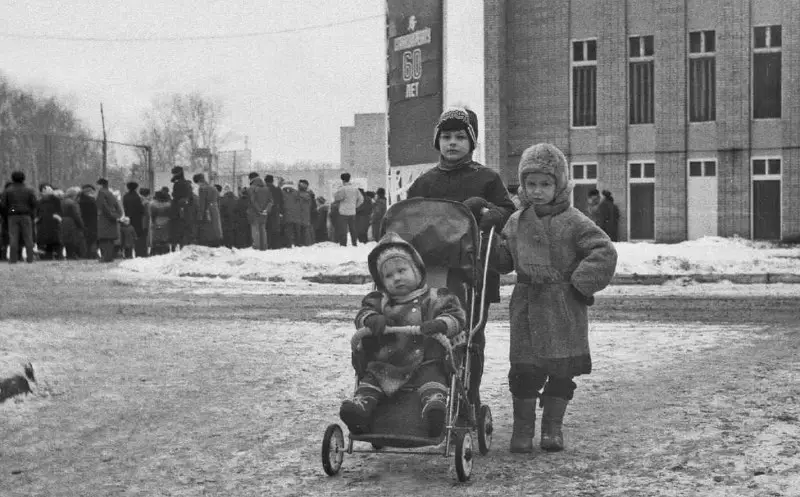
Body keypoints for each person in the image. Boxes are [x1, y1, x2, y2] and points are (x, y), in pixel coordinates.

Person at [490, 143, 617, 453]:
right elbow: (505, 261)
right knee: (524, 370)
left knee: (561, 371)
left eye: (545, 184)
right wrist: (491, 246)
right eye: (530, 184)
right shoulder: (516, 220)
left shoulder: (574, 220)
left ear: (559, 185)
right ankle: (522, 431)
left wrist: (579, 284)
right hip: (526, 304)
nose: (537, 191)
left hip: (563, 306)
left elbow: (604, 251)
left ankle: (552, 429)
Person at [406, 106, 516, 412]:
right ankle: (429, 394)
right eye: (446, 137)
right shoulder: (425, 181)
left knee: (470, 337)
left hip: (474, 269)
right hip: (432, 270)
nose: (452, 143)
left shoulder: (486, 178)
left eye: (459, 137)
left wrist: (490, 214)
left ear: (471, 141)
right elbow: (409, 215)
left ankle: (468, 396)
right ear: (437, 142)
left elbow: (507, 209)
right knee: (427, 333)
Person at [339, 232, 467, 438]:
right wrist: (371, 319)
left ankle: (434, 410)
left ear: (416, 271)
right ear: (382, 282)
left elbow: (457, 318)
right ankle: (361, 411)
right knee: (372, 376)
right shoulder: (379, 301)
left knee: (433, 376)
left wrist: (441, 323)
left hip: (426, 359)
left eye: (402, 270)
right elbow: (362, 314)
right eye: (389, 276)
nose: (396, 278)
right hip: (388, 362)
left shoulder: (436, 298)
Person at [1, 171, 37, 263]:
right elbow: (34, 203)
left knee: (13, 237)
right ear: (23, 178)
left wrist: (9, 211)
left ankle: (13, 259)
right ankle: (30, 258)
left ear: (12, 178)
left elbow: (4, 205)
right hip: (26, 215)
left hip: (12, 216)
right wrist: (30, 212)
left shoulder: (8, 190)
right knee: (28, 237)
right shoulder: (29, 189)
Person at [96, 178, 123, 263]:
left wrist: (110, 215)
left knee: (104, 239)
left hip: (104, 219)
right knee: (110, 239)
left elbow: (103, 206)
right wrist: (117, 215)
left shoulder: (101, 193)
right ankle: (110, 257)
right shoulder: (110, 193)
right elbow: (117, 206)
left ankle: (105, 257)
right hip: (112, 220)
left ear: (100, 185)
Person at [333, 172, 363, 246]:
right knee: (353, 229)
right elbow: (361, 199)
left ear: (342, 180)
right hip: (352, 212)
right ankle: (354, 243)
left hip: (343, 212)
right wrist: (355, 206)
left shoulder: (342, 189)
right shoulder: (355, 189)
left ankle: (343, 245)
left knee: (343, 230)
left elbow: (337, 198)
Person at [193, 173, 223, 247]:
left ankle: (209, 244)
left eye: (197, 183)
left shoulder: (202, 189)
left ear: (199, 181)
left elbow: (202, 203)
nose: (198, 185)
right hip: (215, 209)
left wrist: (199, 216)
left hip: (207, 211)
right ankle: (218, 242)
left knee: (208, 228)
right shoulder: (213, 188)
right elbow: (218, 199)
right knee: (216, 226)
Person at [169, 166, 194, 249]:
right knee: (184, 230)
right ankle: (183, 247)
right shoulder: (187, 183)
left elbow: (175, 195)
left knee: (176, 230)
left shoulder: (178, 184)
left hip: (177, 210)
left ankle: (175, 247)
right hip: (186, 211)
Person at [36, 183, 63, 260]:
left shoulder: (56, 200)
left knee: (56, 240)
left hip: (53, 224)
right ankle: (46, 256)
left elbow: (60, 211)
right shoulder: (39, 201)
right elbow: (37, 212)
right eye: (44, 190)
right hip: (43, 224)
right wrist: (37, 218)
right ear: (41, 192)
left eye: (49, 189)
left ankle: (58, 255)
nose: (47, 191)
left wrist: (58, 217)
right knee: (45, 241)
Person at [247, 175, 273, 250]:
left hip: (254, 213)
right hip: (264, 214)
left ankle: (256, 247)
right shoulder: (267, 189)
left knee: (255, 229)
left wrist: (259, 210)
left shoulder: (251, 189)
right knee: (263, 229)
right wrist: (266, 210)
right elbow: (271, 201)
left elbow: (253, 201)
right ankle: (264, 247)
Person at [60, 187, 85, 259]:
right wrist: (82, 225)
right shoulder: (73, 203)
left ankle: (69, 255)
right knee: (73, 240)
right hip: (72, 223)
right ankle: (73, 255)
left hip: (63, 222)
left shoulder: (62, 201)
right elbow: (77, 215)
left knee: (66, 240)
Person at [122, 182, 146, 258]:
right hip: (137, 219)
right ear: (136, 188)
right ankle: (139, 253)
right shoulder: (137, 197)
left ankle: (128, 254)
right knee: (138, 236)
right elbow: (141, 209)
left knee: (128, 237)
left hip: (128, 219)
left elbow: (125, 207)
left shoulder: (125, 196)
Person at [148, 189, 172, 255]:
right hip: (166, 222)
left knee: (156, 239)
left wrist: (153, 222)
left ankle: (155, 252)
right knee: (165, 238)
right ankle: (165, 252)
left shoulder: (152, 204)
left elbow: (152, 215)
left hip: (156, 221)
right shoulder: (169, 204)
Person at [78, 184, 98, 259]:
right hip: (92, 222)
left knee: (86, 239)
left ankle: (86, 254)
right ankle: (93, 254)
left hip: (84, 222)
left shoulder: (79, 200)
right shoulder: (92, 201)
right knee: (93, 239)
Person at [264, 175, 284, 249]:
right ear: (272, 181)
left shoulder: (263, 189)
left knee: (267, 228)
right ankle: (275, 245)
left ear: (265, 181)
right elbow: (281, 201)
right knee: (275, 229)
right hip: (275, 211)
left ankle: (268, 245)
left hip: (265, 211)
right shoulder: (276, 189)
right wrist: (281, 212)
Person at [219, 184, 238, 249]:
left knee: (227, 233)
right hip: (235, 219)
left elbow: (221, 209)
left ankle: (228, 246)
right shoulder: (236, 198)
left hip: (226, 220)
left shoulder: (222, 199)